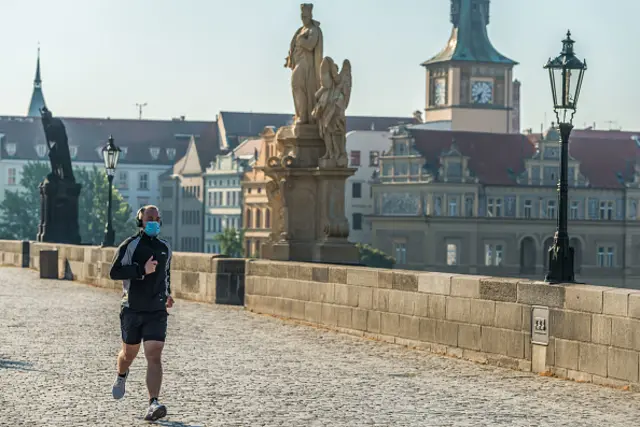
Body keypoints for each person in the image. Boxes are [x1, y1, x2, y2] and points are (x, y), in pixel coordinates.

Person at [109, 205, 174, 422]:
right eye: (149, 218)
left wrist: (168, 294)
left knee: (154, 354)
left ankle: (153, 402)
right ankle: (121, 374)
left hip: (156, 310)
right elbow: (114, 272)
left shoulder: (165, 247)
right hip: (133, 308)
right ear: (140, 220)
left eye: (157, 218)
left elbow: (166, 275)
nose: (153, 221)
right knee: (129, 354)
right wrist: (140, 271)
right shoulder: (130, 245)